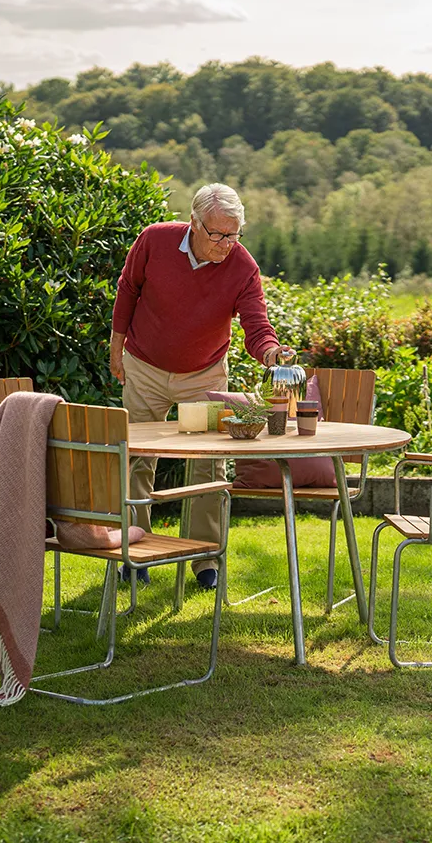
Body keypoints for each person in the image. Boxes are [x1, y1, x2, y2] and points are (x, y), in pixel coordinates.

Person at [110, 183, 294, 589]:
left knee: (208, 465)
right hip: (144, 367)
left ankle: (204, 558)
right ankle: (135, 555)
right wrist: (116, 348)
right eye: (217, 234)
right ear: (193, 223)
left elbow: (256, 327)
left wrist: (272, 354)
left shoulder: (243, 267)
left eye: (234, 234)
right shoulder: (154, 241)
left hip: (205, 373)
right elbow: (128, 289)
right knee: (136, 459)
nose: (226, 244)